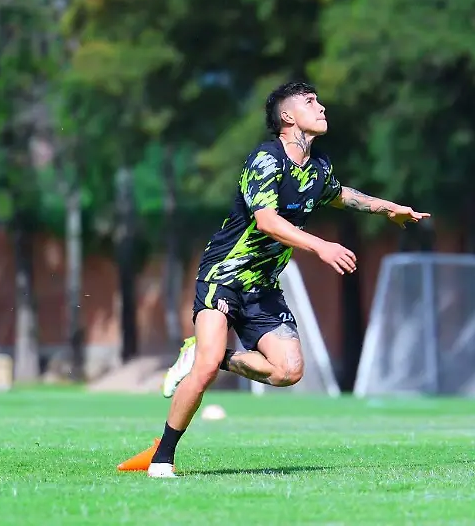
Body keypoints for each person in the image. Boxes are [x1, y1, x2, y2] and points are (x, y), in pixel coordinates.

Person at [117, 81, 431, 478]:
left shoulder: (318, 168)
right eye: (310, 102)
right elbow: (266, 221)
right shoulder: (267, 160)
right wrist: (321, 246)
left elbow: (340, 194)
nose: (321, 107)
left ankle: (207, 356)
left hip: (263, 287)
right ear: (287, 116)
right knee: (207, 368)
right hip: (224, 275)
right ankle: (163, 456)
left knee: (288, 371)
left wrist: (388, 208)